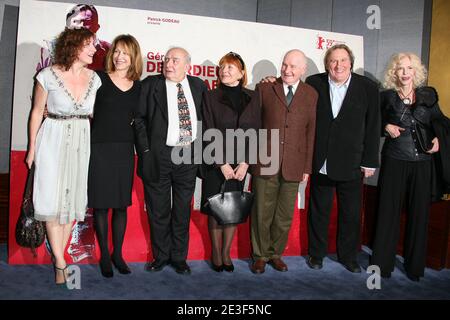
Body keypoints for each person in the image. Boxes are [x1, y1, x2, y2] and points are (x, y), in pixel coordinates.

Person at [26, 27, 101, 285]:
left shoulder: (96, 78)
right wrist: (32, 148)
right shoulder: (47, 75)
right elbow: (37, 112)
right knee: (51, 202)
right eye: (89, 45)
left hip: (81, 140)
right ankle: (60, 261)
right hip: (52, 139)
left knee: (71, 205)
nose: (94, 49)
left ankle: (59, 258)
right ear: (73, 46)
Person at [370, 52, 446, 281]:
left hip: (422, 163)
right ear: (394, 72)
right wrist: (386, 126)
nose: (404, 72)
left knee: (419, 214)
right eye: (400, 68)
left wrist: (439, 140)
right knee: (388, 212)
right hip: (394, 159)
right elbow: (372, 121)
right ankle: (382, 265)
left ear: (416, 72)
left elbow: (440, 122)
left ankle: (414, 267)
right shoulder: (386, 97)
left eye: (409, 68)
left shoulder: (428, 95)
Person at [305, 44, 380, 273]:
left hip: (353, 163)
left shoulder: (368, 87)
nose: (338, 65)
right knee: (319, 212)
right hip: (322, 161)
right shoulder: (313, 83)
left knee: (350, 214)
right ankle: (316, 255)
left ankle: (348, 257)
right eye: (333, 61)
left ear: (351, 62)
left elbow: (373, 126)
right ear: (327, 63)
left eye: (343, 60)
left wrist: (369, 161)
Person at [134, 47, 207, 274]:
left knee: (182, 211)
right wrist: (145, 152)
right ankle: (161, 256)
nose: (169, 63)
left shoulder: (199, 86)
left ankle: (179, 258)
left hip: (188, 155)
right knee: (158, 210)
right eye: (166, 59)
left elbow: (207, 118)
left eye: (175, 60)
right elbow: (138, 120)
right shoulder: (150, 85)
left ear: (188, 66)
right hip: (159, 156)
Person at [250, 49, 317, 274]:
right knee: (261, 212)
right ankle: (259, 255)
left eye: (293, 66)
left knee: (284, 214)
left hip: (294, 165)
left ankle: (275, 254)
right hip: (265, 161)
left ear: (303, 70)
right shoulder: (265, 89)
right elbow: (254, 126)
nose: (287, 70)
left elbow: (311, 132)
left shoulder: (311, 94)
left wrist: (307, 167)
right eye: (285, 64)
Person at [87, 35, 142, 278]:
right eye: (117, 52)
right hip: (99, 148)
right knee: (100, 205)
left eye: (125, 53)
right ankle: (105, 258)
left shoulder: (140, 86)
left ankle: (117, 254)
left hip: (124, 151)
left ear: (133, 58)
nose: (120, 57)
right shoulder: (97, 78)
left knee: (120, 206)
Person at [201, 52, 261, 272]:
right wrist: (222, 163)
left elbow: (257, 130)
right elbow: (207, 129)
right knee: (216, 209)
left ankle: (227, 254)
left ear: (242, 72)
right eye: (222, 67)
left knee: (233, 208)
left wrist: (246, 162)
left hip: (240, 164)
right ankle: (216, 254)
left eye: (230, 67)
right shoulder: (210, 96)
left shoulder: (254, 96)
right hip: (217, 163)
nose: (224, 71)